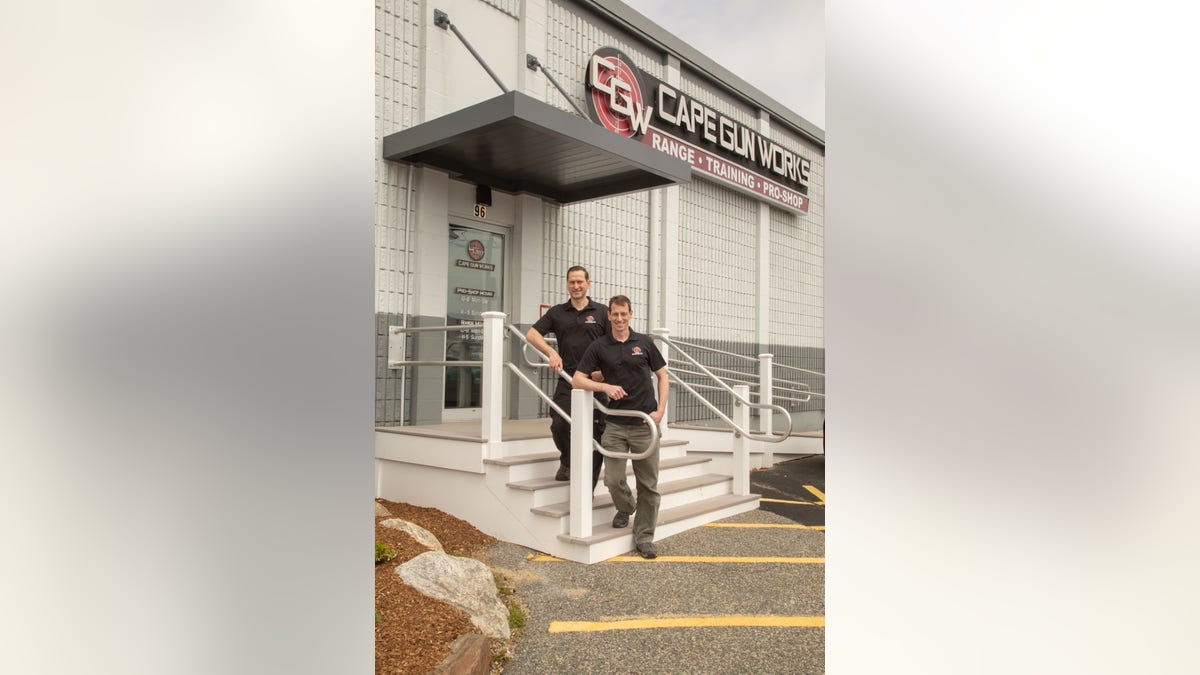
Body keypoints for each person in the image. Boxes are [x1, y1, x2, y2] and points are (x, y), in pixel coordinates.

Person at [572, 295, 669, 559]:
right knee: (613, 480)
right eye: (614, 314)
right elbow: (578, 379)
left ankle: (644, 537)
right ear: (609, 316)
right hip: (614, 424)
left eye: (623, 314)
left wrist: (660, 410)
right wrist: (603, 386)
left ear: (631, 314)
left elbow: (662, 375)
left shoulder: (645, 343)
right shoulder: (599, 346)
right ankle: (626, 506)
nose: (619, 319)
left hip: (643, 425)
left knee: (648, 484)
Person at [526, 265, 608, 487]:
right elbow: (532, 335)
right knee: (559, 425)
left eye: (580, 281)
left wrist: (604, 372)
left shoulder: (602, 312)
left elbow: (613, 345)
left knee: (597, 433)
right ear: (567, 284)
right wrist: (552, 352)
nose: (576, 286)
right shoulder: (557, 312)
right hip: (568, 380)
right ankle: (568, 461)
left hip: (595, 381)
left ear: (588, 283)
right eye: (572, 282)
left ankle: (586, 483)